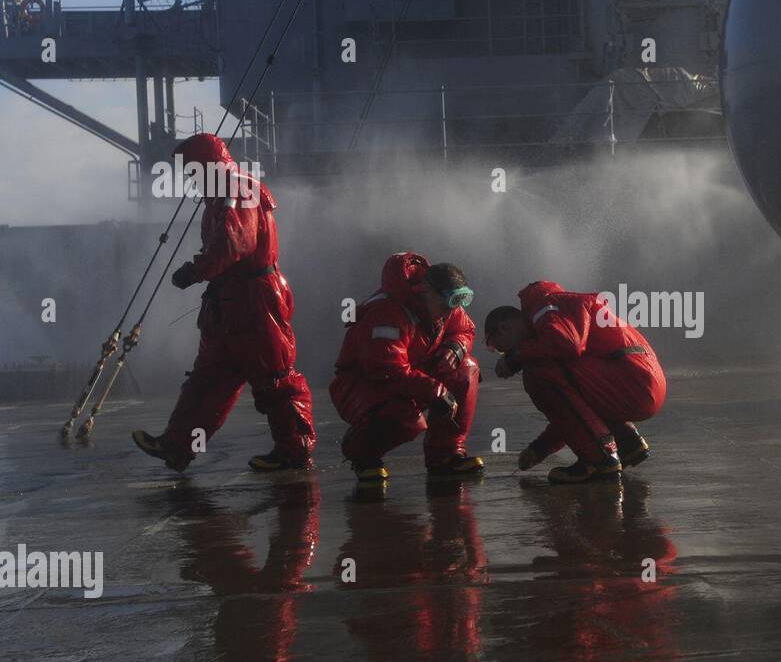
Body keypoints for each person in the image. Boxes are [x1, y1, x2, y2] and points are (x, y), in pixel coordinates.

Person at [133, 133, 316, 472]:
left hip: (254, 302)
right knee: (209, 379)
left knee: (273, 377)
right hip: (229, 303)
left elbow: (235, 242)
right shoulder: (225, 191)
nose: (189, 178)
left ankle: (295, 449)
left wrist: (195, 270)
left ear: (206, 165)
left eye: (191, 171)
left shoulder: (237, 189)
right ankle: (176, 445)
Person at [484, 280, 665, 484]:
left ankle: (599, 459)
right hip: (639, 381)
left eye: (499, 347)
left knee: (538, 371)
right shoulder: (553, 308)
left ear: (504, 328)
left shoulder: (543, 306)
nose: (503, 353)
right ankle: (627, 442)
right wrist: (541, 448)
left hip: (632, 382)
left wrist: (516, 357)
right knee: (548, 368)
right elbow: (575, 411)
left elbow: (567, 343)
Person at [330, 252, 483, 485]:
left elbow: (465, 329)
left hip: (411, 376)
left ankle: (446, 455)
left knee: (467, 368)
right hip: (364, 384)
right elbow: (385, 368)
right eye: (446, 304)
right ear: (424, 290)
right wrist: (436, 391)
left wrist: (456, 348)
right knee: (407, 419)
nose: (450, 311)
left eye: (456, 304)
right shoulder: (387, 312)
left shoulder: (444, 308)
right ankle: (362, 453)